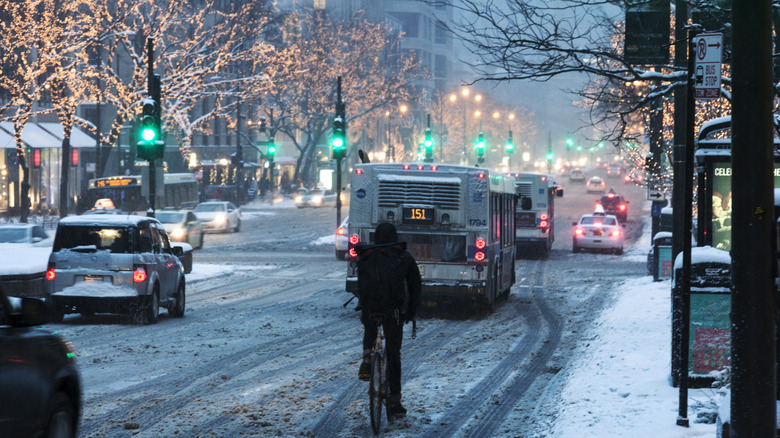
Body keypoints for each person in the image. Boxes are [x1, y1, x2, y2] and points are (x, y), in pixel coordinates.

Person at [355, 222, 421, 419]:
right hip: (392, 310)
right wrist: (410, 312)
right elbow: (415, 286)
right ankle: (395, 401)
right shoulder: (403, 256)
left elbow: (361, 284)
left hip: (370, 307)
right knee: (393, 353)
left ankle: (367, 355)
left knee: (369, 324)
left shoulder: (365, 255)